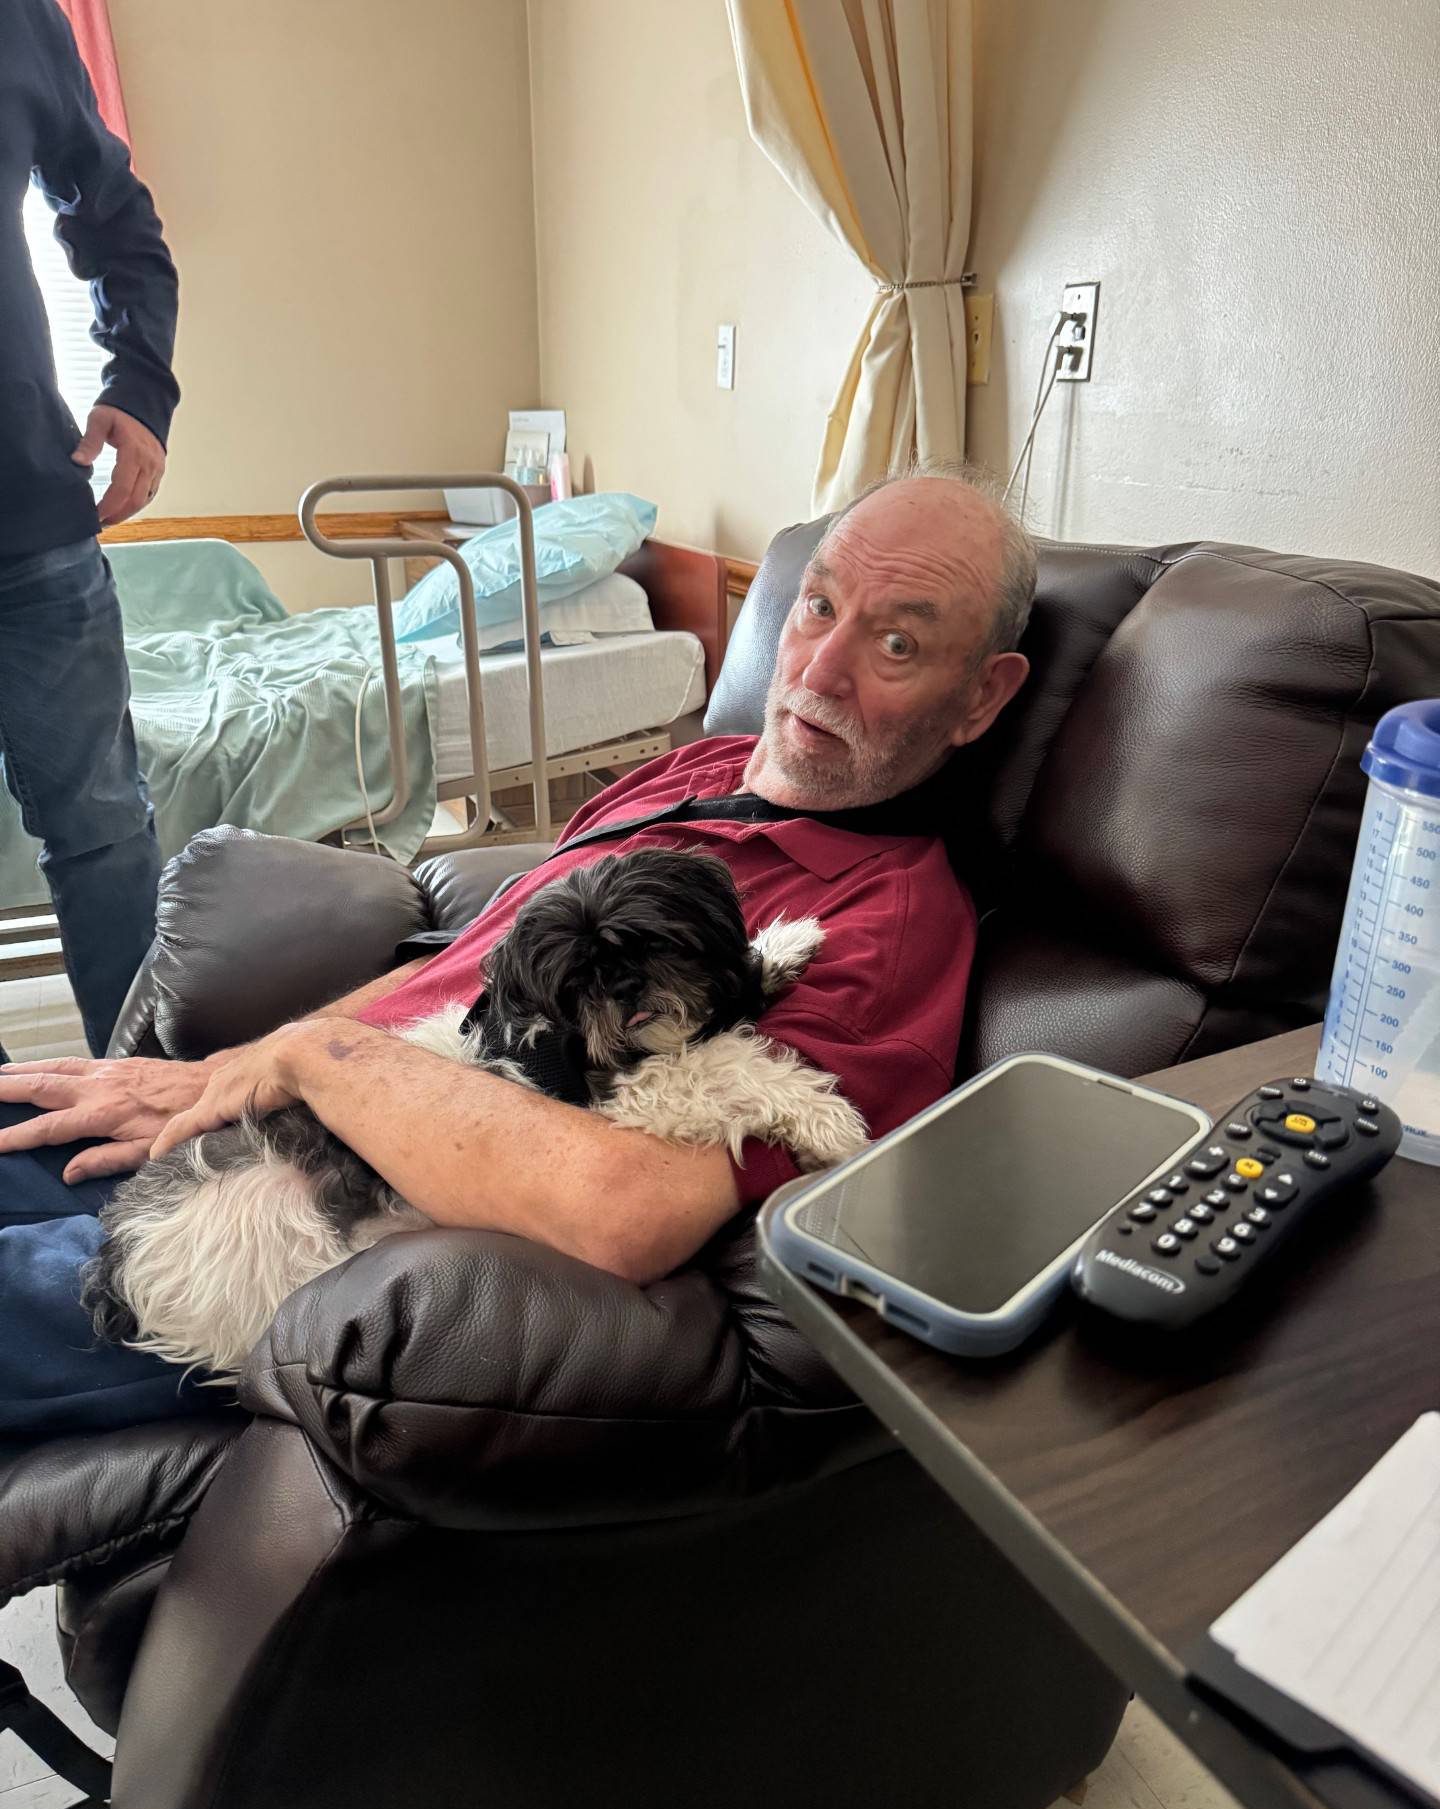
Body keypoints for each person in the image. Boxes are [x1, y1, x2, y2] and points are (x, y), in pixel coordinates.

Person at [0, 467, 1034, 1435]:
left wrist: (307, 1060)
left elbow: (624, 1214)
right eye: (818, 606)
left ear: (982, 696)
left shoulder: (880, 917)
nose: (823, 667)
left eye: (897, 644)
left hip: (299, 1239)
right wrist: (227, 1074)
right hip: (260, 1136)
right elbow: (463, 963)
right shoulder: (689, 772)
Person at [1, 0, 180, 1058]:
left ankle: (154, 1108)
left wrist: (141, 387)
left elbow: (116, 218)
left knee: (106, 833)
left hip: (31, 521)